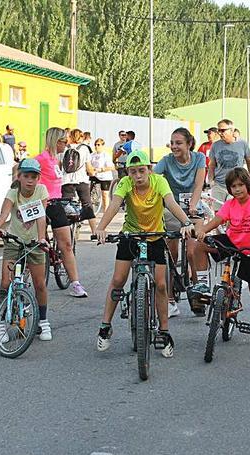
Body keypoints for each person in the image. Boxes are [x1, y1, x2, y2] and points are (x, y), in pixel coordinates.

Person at [93, 150, 196, 358]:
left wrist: (186, 223)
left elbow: (171, 202)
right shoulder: (125, 184)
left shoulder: (159, 181)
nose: (138, 176)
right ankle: (105, 327)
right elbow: (114, 205)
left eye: (142, 171)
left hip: (155, 236)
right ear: (128, 173)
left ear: (149, 170)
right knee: (118, 279)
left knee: (160, 284)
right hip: (131, 235)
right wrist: (101, 228)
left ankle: (164, 332)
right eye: (133, 172)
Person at [195, 168, 250, 347]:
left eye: (241, 185)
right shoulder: (231, 204)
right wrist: (202, 231)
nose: (238, 189)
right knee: (199, 246)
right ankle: (202, 283)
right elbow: (217, 220)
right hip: (232, 243)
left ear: (248, 185)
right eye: (233, 186)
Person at [0, 158, 52, 341]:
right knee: (5, 282)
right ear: (19, 177)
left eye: (33, 176)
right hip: (14, 241)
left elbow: (41, 217)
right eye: (26, 176)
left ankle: (43, 321)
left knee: (39, 284)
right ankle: (1, 323)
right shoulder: (13, 192)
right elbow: (5, 213)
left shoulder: (41, 191)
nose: (30, 180)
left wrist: (41, 238)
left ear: (38, 178)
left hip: (34, 242)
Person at [154, 128, 209, 317]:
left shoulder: (199, 159)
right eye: (172, 143)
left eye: (178, 143)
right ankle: (169, 300)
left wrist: (193, 204)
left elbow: (198, 184)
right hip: (171, 209)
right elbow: (153, 176)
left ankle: (198, 294)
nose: (174, 146)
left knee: (194, 251)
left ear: (188, 144)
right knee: (170, 254)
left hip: (193, 208)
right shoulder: (167, 160)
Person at [35, 127, 88, 298]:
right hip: (44, 203)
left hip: (57, 203)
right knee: (37, 241)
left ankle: (75, 283)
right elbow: (21, 173)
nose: (66, 144)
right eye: (63, 141)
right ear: (55, 141)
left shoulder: (56, 161)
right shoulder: (41, 159)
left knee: (65, 244)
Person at [209, 119, 250, 200]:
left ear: (232, 130)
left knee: (233, 209)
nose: (220, 133)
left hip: (236, 185)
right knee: (219, 211)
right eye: (218, 131)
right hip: (219, 185)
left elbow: (249, 161)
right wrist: (210, 180)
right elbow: (212, 165)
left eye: (223, 130)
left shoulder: (242, 144)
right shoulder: (215, 146)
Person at [61, 129, 97, 234]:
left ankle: (66, 232)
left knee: (66, 206)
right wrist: (92, 173)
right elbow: (89, 168)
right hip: (81, 180)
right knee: (87, 205)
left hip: (67, 181)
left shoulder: (64, 148)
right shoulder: (85, 149)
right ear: (81, 137)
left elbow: (60, 166)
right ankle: (94, 232)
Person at [90, 137, 116, 217]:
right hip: (95, 175)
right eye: (95, 145)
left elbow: (112, 167)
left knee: (105, 194)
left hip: (105, 176)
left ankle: (106, 213)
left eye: (98, 145)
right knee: (88, 192)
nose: (96, 146)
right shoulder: (92, 155)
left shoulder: (106, 155)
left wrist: (101, 169)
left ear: (102, 145)